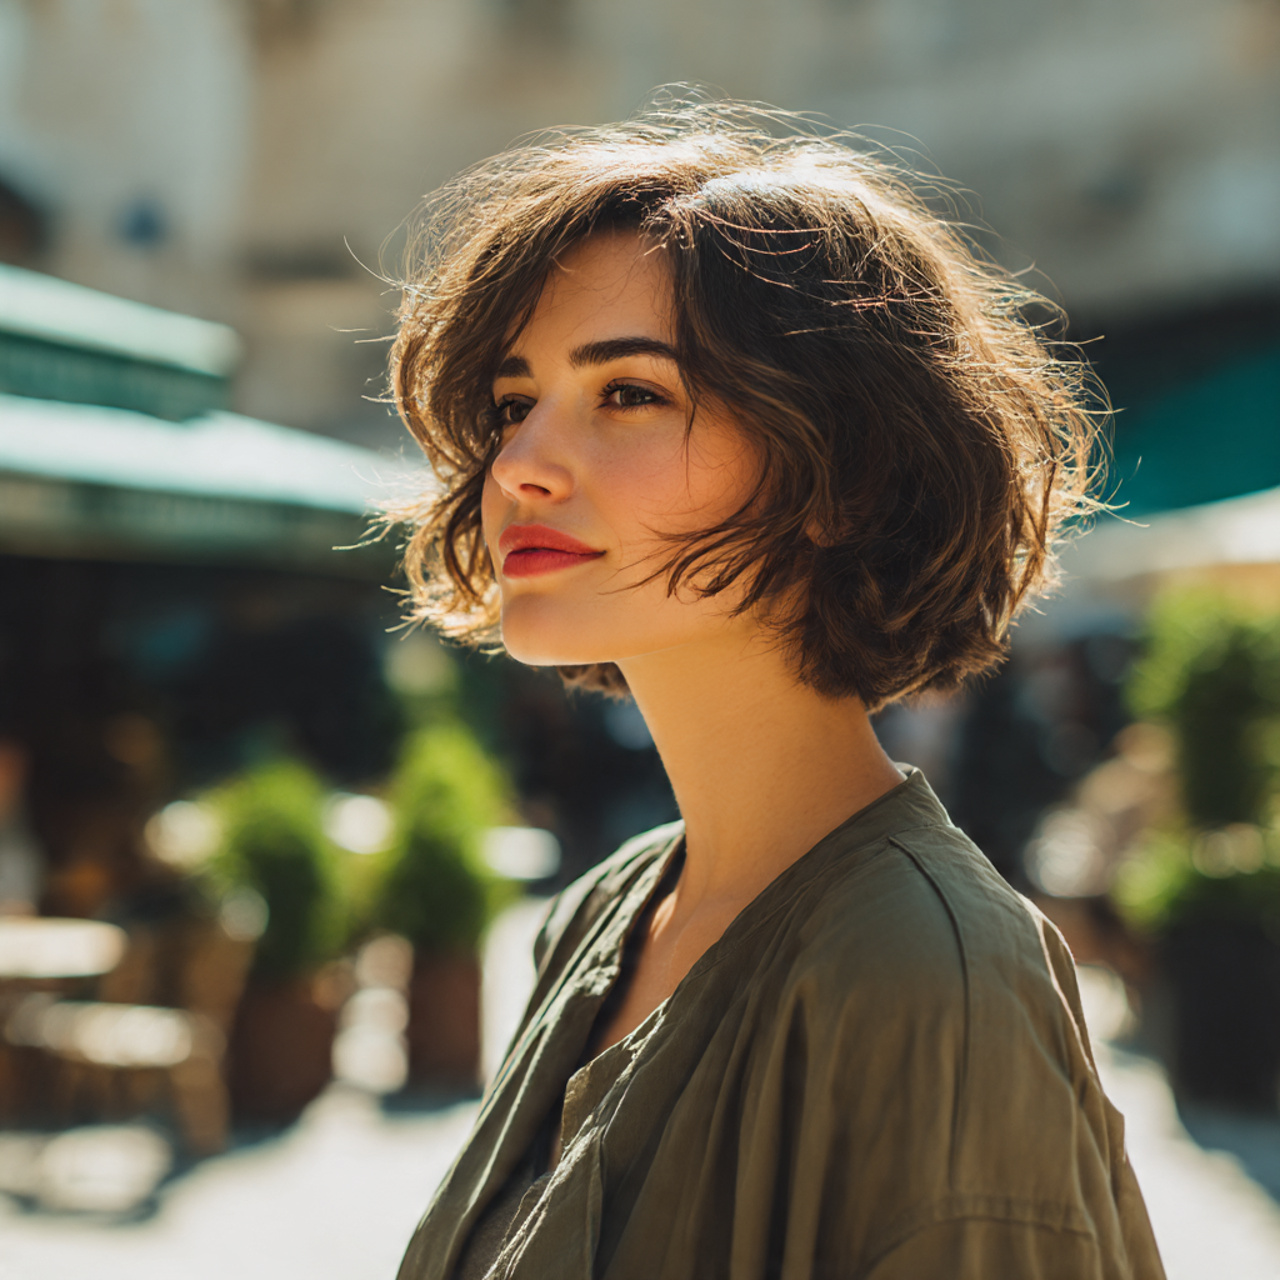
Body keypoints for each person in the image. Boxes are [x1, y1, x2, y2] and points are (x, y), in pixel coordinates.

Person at [389, 98, 1165, 1280]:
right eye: (513, 402)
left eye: (629, 392)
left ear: (838, 478)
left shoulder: (926, 977)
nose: (520, 463)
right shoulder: (596, 918)